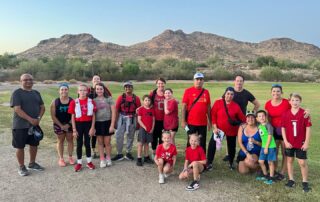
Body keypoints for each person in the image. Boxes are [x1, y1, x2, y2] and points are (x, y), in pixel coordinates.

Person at [10, 73, 45, 176]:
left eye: (30, 79)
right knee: (20, 146)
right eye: (25, 80)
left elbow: (42, 107)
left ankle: (32, 163)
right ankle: (21, 167)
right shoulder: (17, 93)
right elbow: (17, 109)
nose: (28, 81)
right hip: (20, 126)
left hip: (34, 125)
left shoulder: (36, 93)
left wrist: (38, 118)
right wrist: (31, 120)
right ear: (21, 81)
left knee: (34, 144)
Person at [223, 75, 260, 162]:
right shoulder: (230, 91)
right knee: (229, 137)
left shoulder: (246, 93)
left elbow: (257, 104)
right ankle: (228, 154)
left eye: (241, 81)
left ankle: (243, 153)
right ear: (234, 82)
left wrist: (252, 115)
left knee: (241, 137)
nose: (239, 82)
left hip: (242, 119)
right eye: (237, 81)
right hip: (230, 119)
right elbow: (223, 102)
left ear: (243, 82)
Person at [207, 87, 246, 170]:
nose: (229, 96)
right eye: (228, 94)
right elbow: (213, 115)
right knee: (212, 145)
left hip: (232, 130)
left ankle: (231, 163)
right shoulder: (218, 103)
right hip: (219, 130)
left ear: (233, 96)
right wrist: (215, 127)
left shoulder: (236, 106)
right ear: (225, 94)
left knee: (231, 147)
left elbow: (242, 118)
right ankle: (209, 163)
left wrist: (246, 121)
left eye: (232, 94)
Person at [281, 93, 312, 192]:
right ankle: (291, 180)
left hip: (300, 142)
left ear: (300, 101)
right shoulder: (285, 114)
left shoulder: (304, 113)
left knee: (302, 162)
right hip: (289, 142)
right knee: (289, 161)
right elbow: (283, 128)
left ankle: (305, 181)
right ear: (289, 102)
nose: (295, 102)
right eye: (293, 100)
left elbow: (308, 128)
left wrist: (306, 142)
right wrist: (285, 141)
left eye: (297, 100)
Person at [68, 84, 97, 172]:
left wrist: (92, 128)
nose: (83, 92)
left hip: (88, 124)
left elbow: (94, 116)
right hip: (78, 124)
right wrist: (74, 129)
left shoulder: (91, 101)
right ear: (78, 92)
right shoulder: (74, 102)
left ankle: (89, 161)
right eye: (81, 90)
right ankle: (79, 163)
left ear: (87, 91)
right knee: (79, 143)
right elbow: (72, 116)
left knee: (87, 143)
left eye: (84, 90)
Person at [264, 84, 290, 180]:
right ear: (271, 92)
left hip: (285, 130)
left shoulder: (287, 102)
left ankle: (282, 173)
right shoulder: (268, 103)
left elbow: (295, 110)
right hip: (273, 130)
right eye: (274, 91)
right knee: (274, 151)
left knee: (284, 152)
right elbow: (268, 118)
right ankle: (273, 169)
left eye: (278, 91)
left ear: (281, 92)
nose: (276, 93)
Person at [181, 72, 211, 153]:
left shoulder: (206, 92)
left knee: (202, 142)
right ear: (194, 80)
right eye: (197, 79)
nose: (199, 81)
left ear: (203, 81)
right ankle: (189, 158)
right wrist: (183, 121)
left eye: (201, 79)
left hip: (203, 123)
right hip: (191, 122)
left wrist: (209, 121)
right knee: (191, 141)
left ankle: (202, 160)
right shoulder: (188, 91)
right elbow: (184, 107)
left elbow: (208, 108)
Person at [112, 81, 141, 161]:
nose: (128, 88)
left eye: (130, 87)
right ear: (124, 88)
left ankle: (128, 152)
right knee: (119, 135)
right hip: (122, 118)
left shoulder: (136, 98)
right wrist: (115, 121)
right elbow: (117, 110)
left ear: (132, 88)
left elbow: (139, 111)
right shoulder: (120, 98)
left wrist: (138, 122)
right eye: (126, 87)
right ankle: (119, 153)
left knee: (130, 136)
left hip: (132, 118)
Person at [50, 83, 75, 167]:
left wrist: (68, 124)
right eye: (62, 89)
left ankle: (70, 157)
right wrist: (61, 125)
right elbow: (53, 116)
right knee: (60, 140)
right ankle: (61, 158)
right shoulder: (55, 102)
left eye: (65, 89)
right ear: (59, 91)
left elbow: (75, 114)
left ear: (68, 90)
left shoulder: (72, 101)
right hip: (58, 123)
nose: (64, 91)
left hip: (70, 123)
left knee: (70, 140)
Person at [88, 75, 111, 158]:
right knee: (93, 134)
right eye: (95, 79)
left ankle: (104, 151)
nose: (96, 80)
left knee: (103, 134)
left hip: (103, 116)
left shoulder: (103, 89)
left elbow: (109, 98)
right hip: (92, 116)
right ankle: (93, 150)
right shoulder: (89, 90)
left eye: (98, 79)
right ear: (92, 80)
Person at [94, 82, 116, 168]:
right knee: (100, 142)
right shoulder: (94, 100)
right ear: (95, 90)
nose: (99, 90)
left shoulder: (109, 99)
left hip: (107, 122)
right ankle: (102, 159)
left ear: (104, 90)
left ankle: (108, 157)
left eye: (101, 89)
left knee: (107, 142)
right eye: (97, 89)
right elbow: (92, 114)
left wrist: (112, 125)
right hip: (98, 123)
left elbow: (113, 112)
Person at [256, 110, 276, 185]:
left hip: (270, 146)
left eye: (263, 116)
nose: (261, 117)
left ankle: (271, 178)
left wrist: (266, 147)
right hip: (264, 146)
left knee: (270, 162)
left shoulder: (268, 126)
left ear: (266, 117)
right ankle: (265, 175)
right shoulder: (259, 126)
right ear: (257, 119)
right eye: (259, 116)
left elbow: (270, 137)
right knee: (261, 161)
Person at [136, 95, 155, 166]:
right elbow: (139, 120)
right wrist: (144, 127)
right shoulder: (141, 109)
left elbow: (153, 120)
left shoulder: (152, 110)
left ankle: (146, 157)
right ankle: (139, 158)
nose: (147, 102)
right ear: (143, 101)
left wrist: (152, 128)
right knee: (140, 143)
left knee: (147, 143)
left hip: (150, 129)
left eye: (149, 100)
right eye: (146, 100)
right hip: (143, 129)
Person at [149, 78, 166, 158]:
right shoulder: (153, 93)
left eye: (162, 83)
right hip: (155, 119)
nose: (160, 85)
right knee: (154, 137)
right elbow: (148, 103)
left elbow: (171, 101)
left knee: (162, 137)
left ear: (164, 84)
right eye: (159, 83)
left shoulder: (167, 93)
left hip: (164, 119)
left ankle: (160, 152)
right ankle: (153, 152)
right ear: (156, 84)